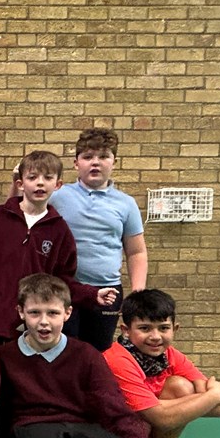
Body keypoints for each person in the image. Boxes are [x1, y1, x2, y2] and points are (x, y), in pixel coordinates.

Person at [0, 274, 178, 438]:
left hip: (81, 426)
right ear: (21, 312)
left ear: (68, 313)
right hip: (33, 425)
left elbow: (112, 405)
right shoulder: (6, 355)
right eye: (35, 313)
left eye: (52, 313)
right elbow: (2, 409)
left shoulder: (86, 354)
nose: (44, 322)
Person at [0, 150, 117, 343]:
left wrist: (92, 293)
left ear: (57, 185)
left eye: (47, 178)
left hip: (29, 326)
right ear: (20, 184)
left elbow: (62, 281)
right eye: (32, 177)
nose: (40, 183)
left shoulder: (60, 231)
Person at [103, 289, 220, 438]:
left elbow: (219, 409)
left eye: (163, 328)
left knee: (181, 387)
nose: (155, 337)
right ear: (125, 330)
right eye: (144, 328)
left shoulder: (171, 356)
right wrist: (215, 393)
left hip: (142, 435)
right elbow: (162, 418)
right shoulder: (117, 360)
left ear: (175, 329)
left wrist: (161, 406)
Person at [49, 128, 148, 350]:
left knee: (98, 352)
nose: (95, 163)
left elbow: (136, 252)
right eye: (87, 157)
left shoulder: (126, 204)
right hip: (65, 289)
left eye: (103, 157)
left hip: (108, 291)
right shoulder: (57, 196)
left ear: (114, 162)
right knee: (64, 350)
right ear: (76, 163)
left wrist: (138, 293)